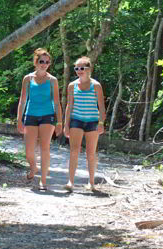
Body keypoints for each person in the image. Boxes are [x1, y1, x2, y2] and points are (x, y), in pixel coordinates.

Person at [16, 48, 63, 191]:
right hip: (30, 115)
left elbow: (56, 102)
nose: (44, 64)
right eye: (41, 61)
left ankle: (43, 181)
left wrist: (60, 122)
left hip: (47, 116)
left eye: (47, 62)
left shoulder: (52, 80)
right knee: (29, 151)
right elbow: (23, 100)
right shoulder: (28, 78)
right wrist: (19, 119)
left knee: (45, 148)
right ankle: (33, 168)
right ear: (36, 62)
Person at [63, 56, 106, 192]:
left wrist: (101, 122)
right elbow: (69, 106)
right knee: (74, 151)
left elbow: (101, 106)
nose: (79, 71)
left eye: (82, 68)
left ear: (89, 69)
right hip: (76, 120)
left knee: (91, 153)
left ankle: (91, 183)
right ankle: (70, 181)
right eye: (76, 68)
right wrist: (66, 125)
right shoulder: (72, 85)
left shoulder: (96, 86)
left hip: (92, 121)